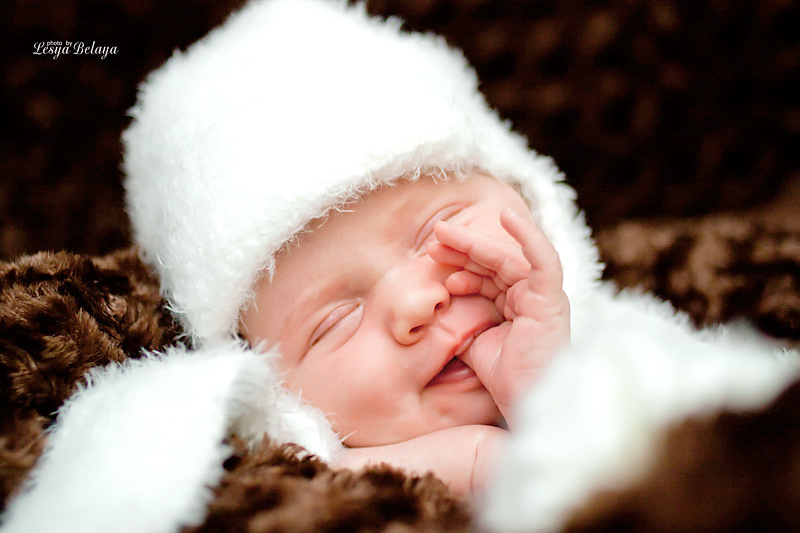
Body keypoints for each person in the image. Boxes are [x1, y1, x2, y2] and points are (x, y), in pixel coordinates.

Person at [238, 171, 571, 493]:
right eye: (336, 321)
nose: (414, 303)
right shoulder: (306, 503)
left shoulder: (604, 358)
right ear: (275, 396)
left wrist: (550, 400)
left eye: (438, 229)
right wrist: (476, 467)